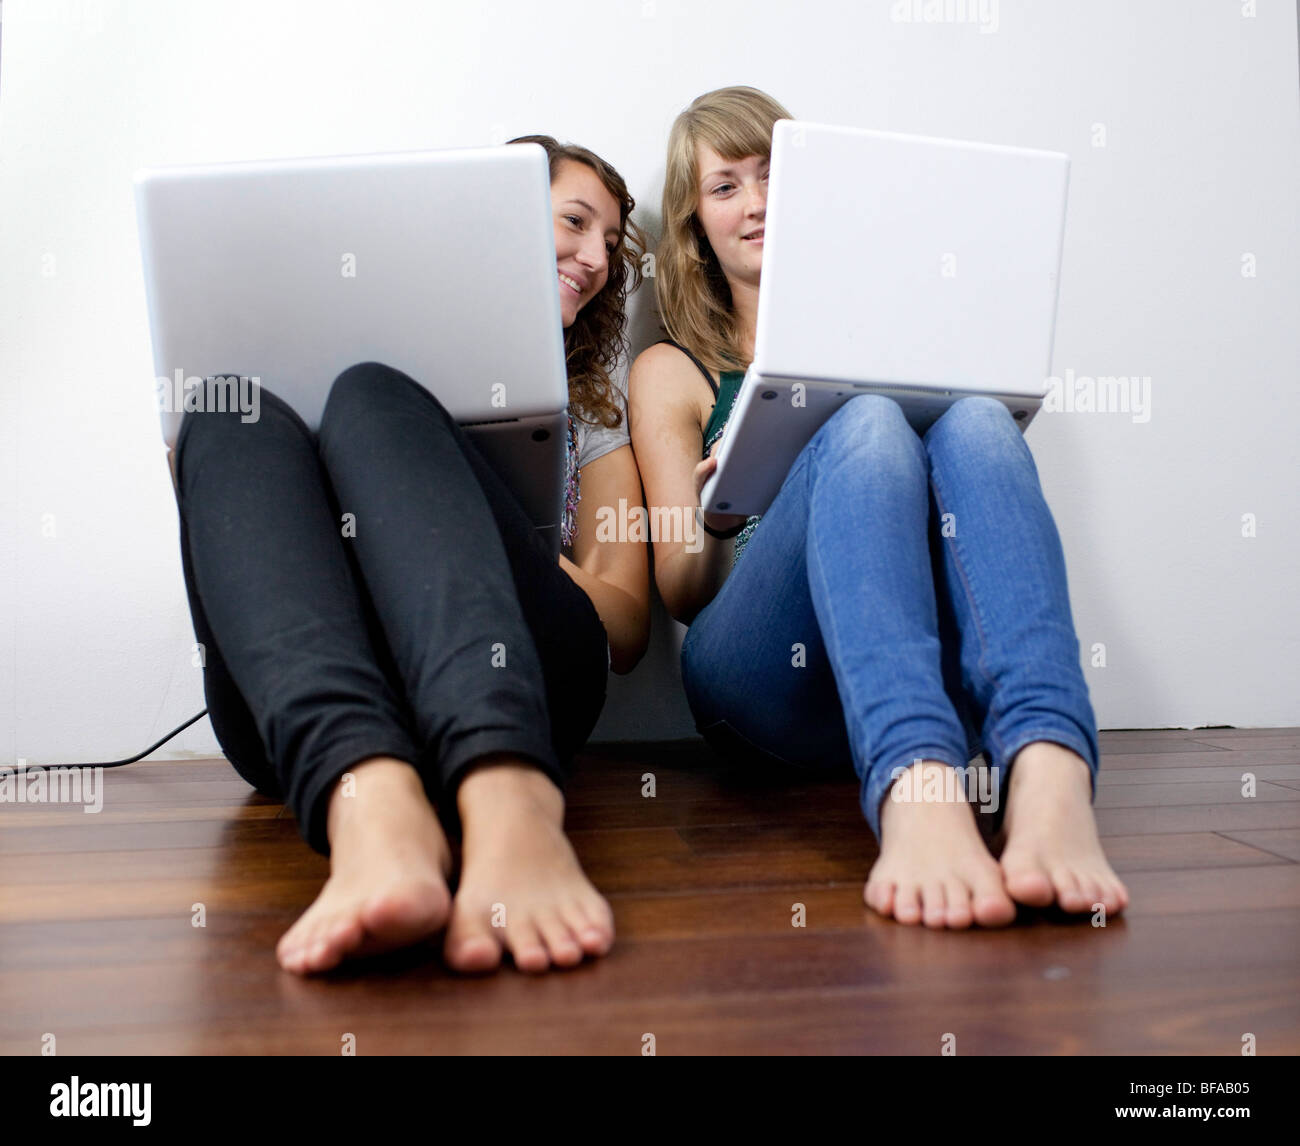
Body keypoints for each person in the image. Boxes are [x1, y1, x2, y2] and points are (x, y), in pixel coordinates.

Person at [628, 87, 1129, 929]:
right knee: (863, 422)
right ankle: (914, 780)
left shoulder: (906, 328)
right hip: (760, 682)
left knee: (976, 417)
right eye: (725, 188)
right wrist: (719, 510)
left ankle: (1049, 764)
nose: (756, 204)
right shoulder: (673, 370)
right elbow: (680, 591)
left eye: (774, 175)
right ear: (694, 226)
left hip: (929, 673)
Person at [168, 136, 650, 973]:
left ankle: (510, 798)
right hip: (300, 723)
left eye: (611, 242)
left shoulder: (595, 416)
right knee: (225, 409)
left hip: (527, 676)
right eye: (575, 222)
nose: (596, 257)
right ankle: (371, 806)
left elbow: (627, 624)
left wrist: (483, 524)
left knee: (373, 397)